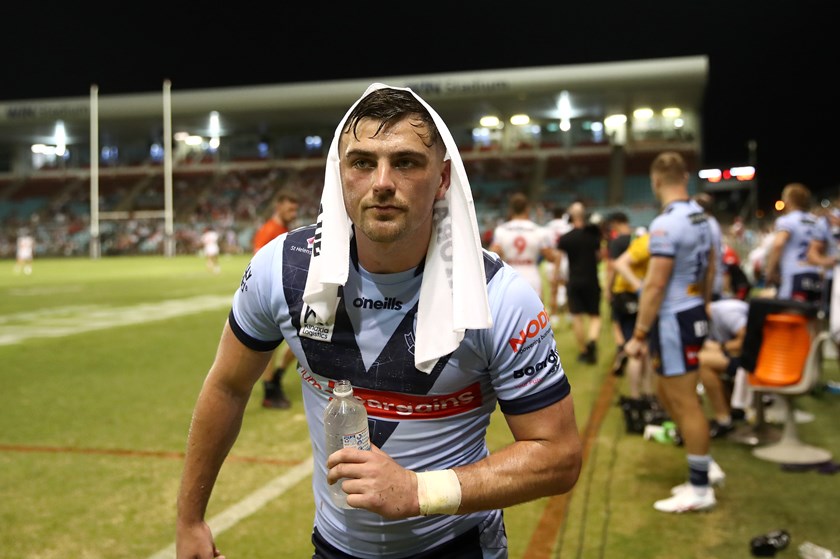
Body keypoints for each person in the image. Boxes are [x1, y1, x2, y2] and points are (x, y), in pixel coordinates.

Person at [175, 84, 582, 559]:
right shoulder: (281, 269)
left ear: (443, 178)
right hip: (332, 548)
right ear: (340, 173)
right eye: (362, 162)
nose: (382, 182)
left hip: (458, 547)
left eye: (405, 162)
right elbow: (227, 386)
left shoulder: (498, 296)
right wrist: (189, 519)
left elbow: (558, 455)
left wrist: (419, 492)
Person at [623, 151, 722, 513]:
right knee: (667, 392)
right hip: (692, 309)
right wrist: (704, 302)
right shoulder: (703, 218)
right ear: (685, 177)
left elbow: (655, 284)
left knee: (684, 401)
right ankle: (704, 462)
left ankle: (700, 486)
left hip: (673, 318)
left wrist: (639, 334)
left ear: (656, 181)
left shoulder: (666, 224)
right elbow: (711, 267)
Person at [251, 188, 301, 409]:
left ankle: (277, 377)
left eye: (295, 209)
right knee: (270, 345)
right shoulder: (269, 231)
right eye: (290, 209)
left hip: (288, 294)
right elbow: (258, 265)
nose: (293, 213)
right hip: (271, 295)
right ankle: (270, 389)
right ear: (278, 206)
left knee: (305, 336)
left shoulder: (284, 230)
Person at [557, 200, 603, 364]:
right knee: (595, 316)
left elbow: (558, 260)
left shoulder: (565, 238)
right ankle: (592, 341)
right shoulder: (593, 235)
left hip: (574, 280)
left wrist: (557, 278)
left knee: (576, 316)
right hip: (592, 279)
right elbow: (599, 256)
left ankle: (583, 351)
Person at [488, 192, 558, 300]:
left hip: (510, 272)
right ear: (527, 209)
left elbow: (493, 254)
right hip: (531, 272)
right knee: (534, 309)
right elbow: (550, 257)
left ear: (511, 209)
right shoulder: (538, 231)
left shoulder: (501, 230)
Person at [697, 297, 750, 439]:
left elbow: (748, 339)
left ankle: (724, 420)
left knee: (702, 362)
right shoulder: (711, 317)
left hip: (761, 358)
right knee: (707, 358)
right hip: (749, 356)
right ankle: (733, 410)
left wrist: (721, 347)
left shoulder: (726, 312)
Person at [611, 231, 655, 400]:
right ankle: (638, 397)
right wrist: (639, 287)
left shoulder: (653, 241)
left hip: (633, 296)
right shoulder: (648, 241)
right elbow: (620, 264)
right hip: (629, 297)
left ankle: (646, 395)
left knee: (645, 348)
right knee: (636, 347)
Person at [764, 183, 823, 303]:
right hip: (815, 274)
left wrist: (770, 271)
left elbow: (778, 244)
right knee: (812, 312)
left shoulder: (787, 220)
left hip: (794, 274)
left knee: (790, 311)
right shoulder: (816, 220)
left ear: (788, 200)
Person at [603, 211, 633, 375]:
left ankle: (622, 349)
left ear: (616, 222)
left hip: (620, 288)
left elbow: (613, 268)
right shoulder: (637, 239)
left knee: (616, 322)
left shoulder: (616, 242)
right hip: (635, 287)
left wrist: (608, 288)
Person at [543, 206, 572, 324]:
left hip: (552, 258)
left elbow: (545, 246)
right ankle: (569, 313)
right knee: (568, 287)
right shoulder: (568, 226)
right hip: (566, 258)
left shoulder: (547, 227)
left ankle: (554, 315)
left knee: (553, 288)